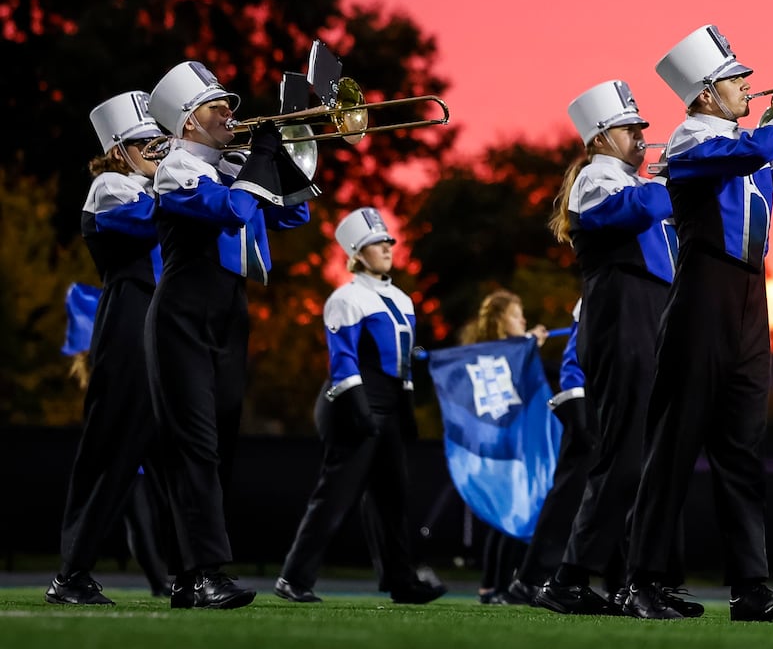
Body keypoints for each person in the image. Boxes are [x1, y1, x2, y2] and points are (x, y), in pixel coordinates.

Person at [625, 25, 773, 621]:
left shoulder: (751, 142)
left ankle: (749, 586)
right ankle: (643, 580)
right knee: (674, 446)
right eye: (735, 79)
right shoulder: (689, 142)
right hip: (704, 288)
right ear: (705, 94)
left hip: (751, 296)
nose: (748, 85)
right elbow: (752, 151)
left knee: (741, 449)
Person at [514, 80, 691, 617]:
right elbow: (638, 210)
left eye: (642, 128)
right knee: (624, 459)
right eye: (630, 128)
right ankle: (569, 578)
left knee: (649, 461)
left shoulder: (628, 178)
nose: (642, 137)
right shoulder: (595, 178)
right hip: (622, 315)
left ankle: (640, 581)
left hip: (651, 312)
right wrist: (680, 169)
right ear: (599, 137)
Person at [145, 61, 312, 609]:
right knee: (193, 446)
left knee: (218, 448)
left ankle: (187, 577)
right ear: (189, 123)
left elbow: (296, 215)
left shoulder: (232, 166)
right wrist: (258, 159)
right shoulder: (176, 168)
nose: (233, 115)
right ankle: (206, 572)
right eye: (219, 108)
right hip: (183, 312)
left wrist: (288, 152)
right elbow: (230, 211)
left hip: (229, 311)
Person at [275, 208, 447, 605]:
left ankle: (400, 580)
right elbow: (342, 360)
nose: (387, 247)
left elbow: (401, 360)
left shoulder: (402, 298)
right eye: (377, 242)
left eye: (388, 241)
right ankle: (294, 578)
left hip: (387, 404)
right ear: (356, 251)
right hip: (352, 403)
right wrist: (360, 410)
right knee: (335, 495)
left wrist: (405, 409)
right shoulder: (346, 297)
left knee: (394, 497)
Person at [48, 92, 174, 605]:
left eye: (158, 140)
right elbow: (154, 220)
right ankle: (72, 572)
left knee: (175, 459)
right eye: (146, 142)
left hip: (163, 322)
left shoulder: (156, 185)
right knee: (113, 449)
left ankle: (192, 571)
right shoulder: (110, 186)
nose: (157, 149)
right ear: (119, 149)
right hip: (128, 316)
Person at [458, 290, 552, 603]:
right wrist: (527, 348)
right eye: (515, 314)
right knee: (506, 518)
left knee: (515, 517)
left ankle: (499, 585)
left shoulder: (512, 350)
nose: (523, 320)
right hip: (500, 450)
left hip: (517, 446)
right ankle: (492, 586)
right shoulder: (491, 353)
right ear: (500, 320)